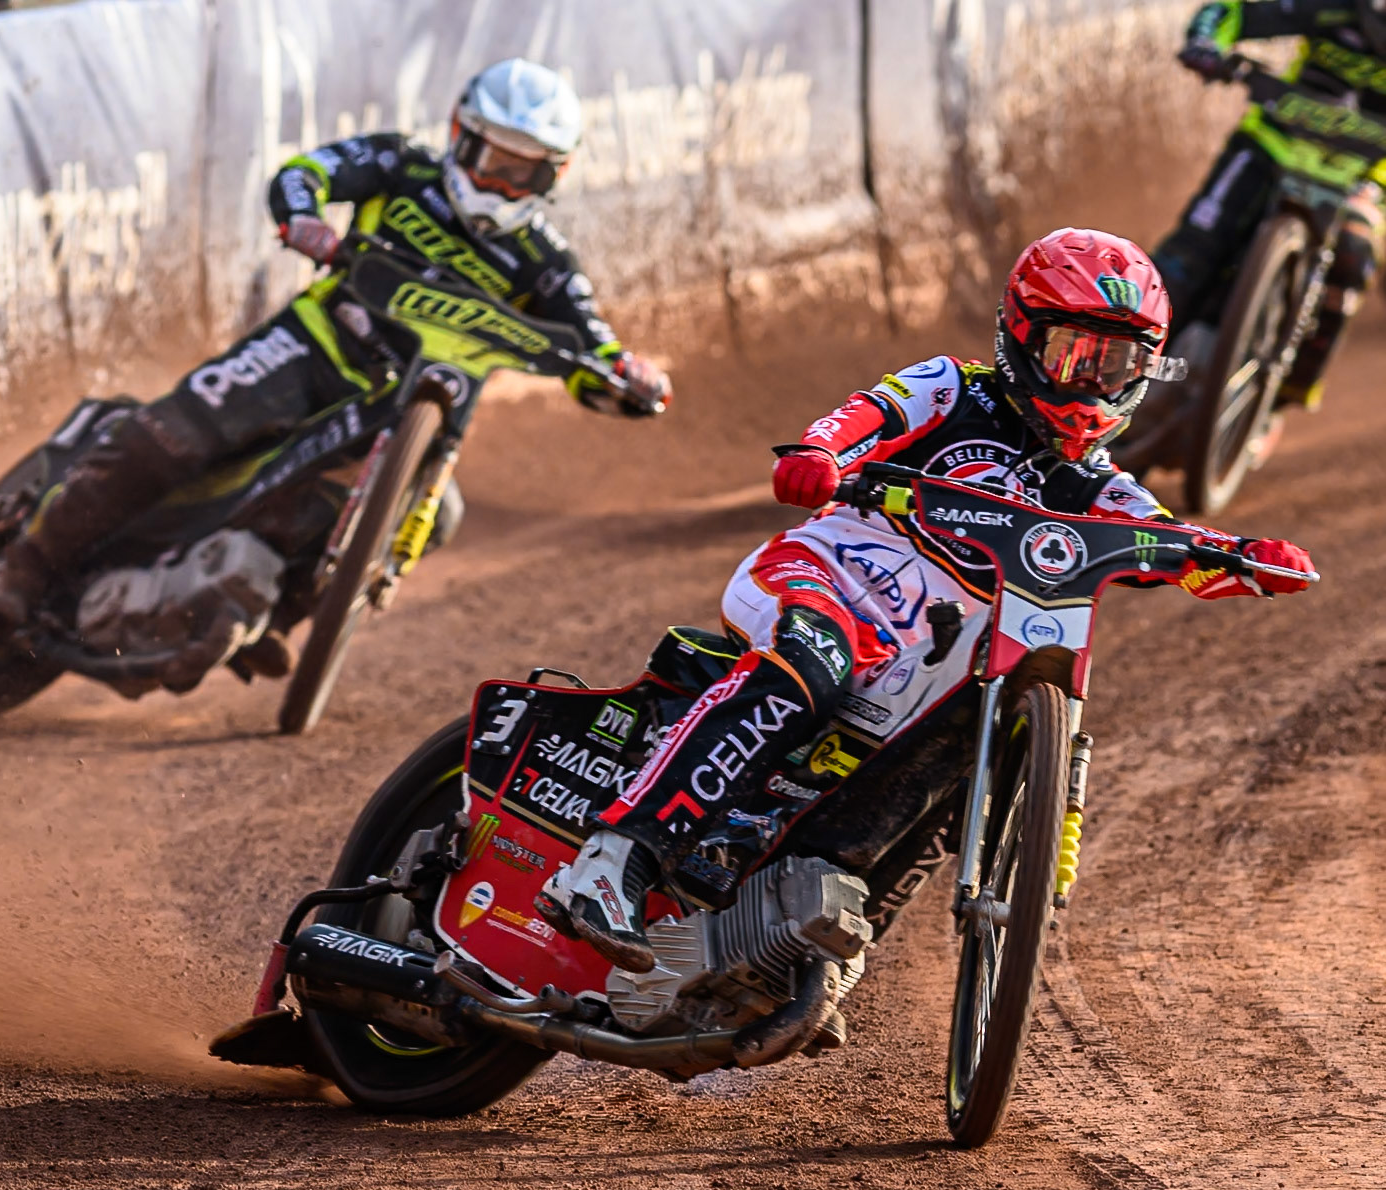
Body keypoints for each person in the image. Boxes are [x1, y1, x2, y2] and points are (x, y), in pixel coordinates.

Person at [536, 228, 1317, 974]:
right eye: (1070, 354)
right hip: (828, 576)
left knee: (974, 730)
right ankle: (610, 864)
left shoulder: (1101, 487)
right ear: (1018, 337)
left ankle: (818, 937)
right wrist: (819, 453)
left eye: (1110, 365)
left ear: (1144, 372)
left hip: (920, 655)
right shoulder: (951, 387)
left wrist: (1241, 558)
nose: (1087, 383)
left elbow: (1164, 541)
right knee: (810, 663)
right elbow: (867, 415)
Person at [0, 58, 671, 664]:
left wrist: (630, 374)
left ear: (554, 175)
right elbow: (308, 171)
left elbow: (591, 346)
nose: (501, 183)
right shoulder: (402, 167)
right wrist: (304, 217)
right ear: (462, 136)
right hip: (315, 345)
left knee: (437, 517)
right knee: (175, 432)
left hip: (413, 408)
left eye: (524, 171)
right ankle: (23, 569)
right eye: (494, 161)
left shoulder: (542, 259)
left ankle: (271, 615)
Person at [1154, 0, 1386, 409]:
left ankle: (1283, 395)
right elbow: (1234, 13)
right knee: (1184, 262)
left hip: (1360, 176)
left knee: (1352, 258)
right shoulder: (1334, 7)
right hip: (1272, 146)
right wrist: (1206, 43)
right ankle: (1111, 377)